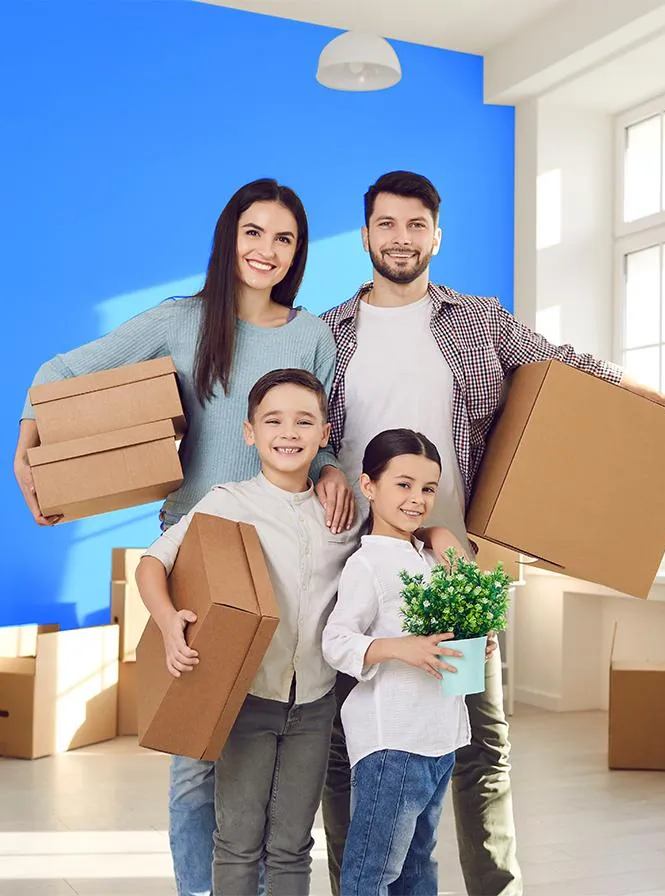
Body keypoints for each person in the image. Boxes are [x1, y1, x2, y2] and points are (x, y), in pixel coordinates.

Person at [319, 170, 665, 896]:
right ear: (365, 235)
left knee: (477, 746)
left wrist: (658, 402)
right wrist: (328, 465)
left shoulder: (477, 319)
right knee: (348, 747)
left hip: (454, 576)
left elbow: (564, 366)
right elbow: (302, 430)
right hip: (355, 565)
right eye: (386, 224)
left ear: (435, 236)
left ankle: (497, 889)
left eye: (415, 225)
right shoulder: (327, 333)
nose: (400, 238)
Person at [13, 178, 354, 896]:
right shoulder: (179, 322)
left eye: (284, 238)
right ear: (229, 237)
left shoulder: (312, 333)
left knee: (273, 758)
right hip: (198, 552)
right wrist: (27, 448)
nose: (267, 250)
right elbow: (62, 371)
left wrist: (328, 472)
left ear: (297, 253)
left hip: (285, 554)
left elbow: (317, 435)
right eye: (253, 232)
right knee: (196, 759)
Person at [137, 368, 359, 896]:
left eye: (304, 422)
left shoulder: (346, 514)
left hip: (316, 701)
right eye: (273, 421)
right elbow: (153, 563)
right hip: (248, 698)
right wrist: (170, 624)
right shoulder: (228, 502)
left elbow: (401, 550)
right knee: (237, 840)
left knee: (292, 845)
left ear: (325, 435)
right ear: (249, 432)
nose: (289, 432)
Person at [322, 428, 472, 896]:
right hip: (393, 742)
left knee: (418, 866)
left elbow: (453, 626)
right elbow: (335, 639)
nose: (417, 499)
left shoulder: (428, 556)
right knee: (373, 873)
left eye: (428, 488)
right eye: (403, 484)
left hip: (439, 736)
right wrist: (397, 647)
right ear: (368, 486)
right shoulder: (366, 564)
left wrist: (473, 644)